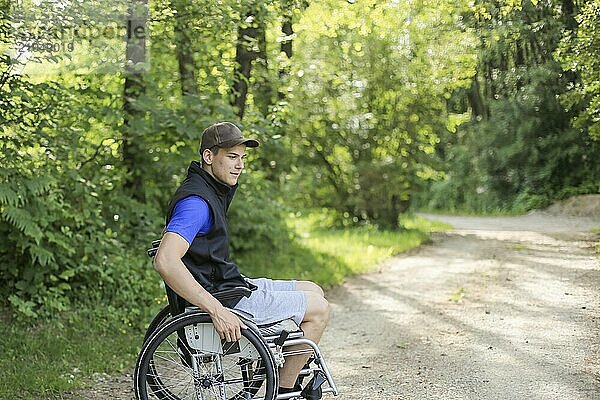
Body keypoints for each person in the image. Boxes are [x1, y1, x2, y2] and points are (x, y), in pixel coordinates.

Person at [153, 121, 330, 395]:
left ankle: (283, 372)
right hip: (222, 297)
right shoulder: (196, 203)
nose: (240, 165)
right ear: (208, 157)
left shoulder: (210, 189)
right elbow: (165, 260)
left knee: (314, 290)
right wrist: (217, 310)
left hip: (227, 285)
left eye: (243, 158)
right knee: (318, 309)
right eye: (232, 157)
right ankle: (285, 389)